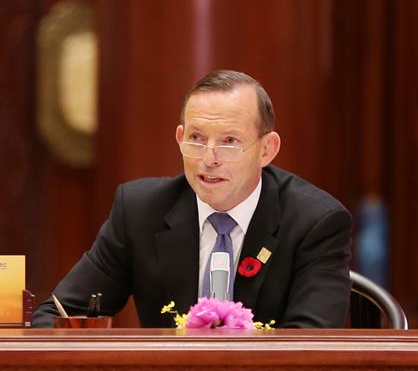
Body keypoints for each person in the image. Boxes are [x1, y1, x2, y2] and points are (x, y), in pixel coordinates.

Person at [32, 70, 352, 328]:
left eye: (229, 141)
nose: (209, 159)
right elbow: (58, 315)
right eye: (196, 138)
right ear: (179, 138)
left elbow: (311, 343)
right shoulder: (141, 211)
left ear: (267, 149)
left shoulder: (314, 222)